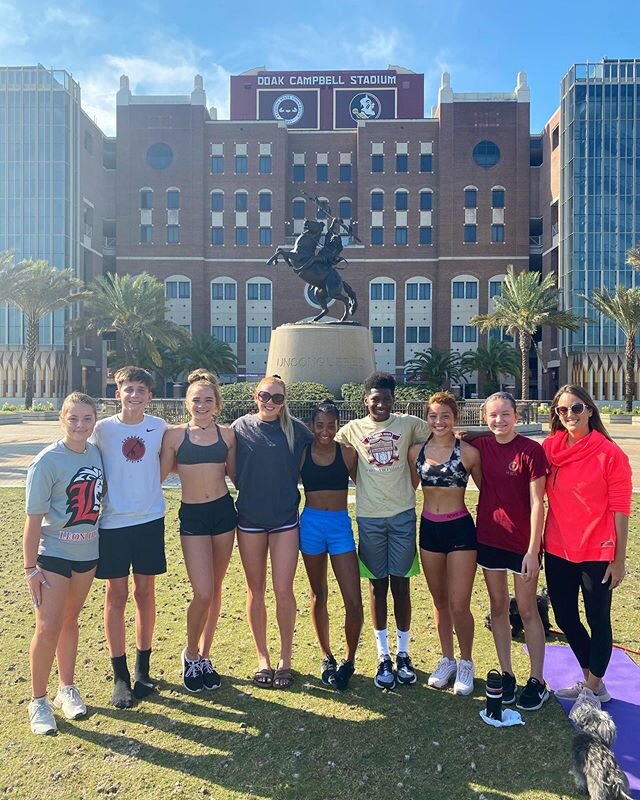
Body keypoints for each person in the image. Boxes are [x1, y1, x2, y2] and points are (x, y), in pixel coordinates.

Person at [335, 371, 429, 690]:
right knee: (377, 587)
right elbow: (334, 455)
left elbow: (439, 435)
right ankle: (383, 655)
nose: (381, 404)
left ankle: (403, 654)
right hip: (370, 519)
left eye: (387, 398)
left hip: (402, 516)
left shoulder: (409, 424)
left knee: (401, 585)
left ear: (394, 400)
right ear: (366, 400)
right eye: (376, 398)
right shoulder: (352, 430)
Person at [543, 385, 632, 711]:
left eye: (576, 408)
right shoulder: (551, 449)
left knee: (598, 619)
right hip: (557, 548)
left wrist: (618, 559)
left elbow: (621, 509)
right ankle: (592, 682)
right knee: (565, 617)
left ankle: (593, 688)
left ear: (590, 410)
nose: (569, 415)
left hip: (597, 551)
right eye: (562, 410)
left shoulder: (609, 454)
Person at [24, 392, 104, 734]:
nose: (80, 426)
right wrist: (30, 569)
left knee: (70, 619)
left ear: (94, 421)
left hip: (87, 554)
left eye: (87, 419)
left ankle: (66, 689)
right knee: (48, 625)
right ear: (63, 419)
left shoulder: (96, 452)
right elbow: (32, 519)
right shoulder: (46, 461)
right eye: (74, 419)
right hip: (53, 555)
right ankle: (38, 701)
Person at [90, 366, 167, 708]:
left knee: (145, 593)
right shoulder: (102, 430)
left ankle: (142, 669)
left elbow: (165, 465)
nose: (134, 395)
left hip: (150, 520)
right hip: (113, 523)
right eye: (128, 389)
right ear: (117, 393)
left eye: (140, 389)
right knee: (116, 596)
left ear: (150, 396)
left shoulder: (159, 427)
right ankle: (119, 675)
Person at [230, 375, 313, 689]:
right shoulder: (239, 427)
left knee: (283, 589)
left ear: (284, 402)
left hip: (284, 521)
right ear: (256, 395)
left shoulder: (296, 431)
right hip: (249, 519)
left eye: (277, 398)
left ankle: (285, 660)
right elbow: (226, 462)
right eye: (265, 395)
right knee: (256, 590)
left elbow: (326, 442)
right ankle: (262, 657)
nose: (270, 402)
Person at [470, 392, 549, 710]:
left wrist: (533, 550)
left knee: (528, 610)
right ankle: (507, 674)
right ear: (484, 418)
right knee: (499, 607)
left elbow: (537, 503)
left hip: (522, 545)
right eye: (493, 415)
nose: (499, 420)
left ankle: (537, 680)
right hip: (489, 538)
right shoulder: (481, 446)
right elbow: (454, 436)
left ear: (516, 416)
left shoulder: (531, 451)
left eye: (505, 414)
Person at [160, 370, 237, 693]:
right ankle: (190, 655)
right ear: (187, 403)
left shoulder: (228, 435)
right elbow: (158, 475)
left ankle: (205, 657)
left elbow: (236, 475)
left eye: (208, 400)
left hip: (223, 513)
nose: (202, 405)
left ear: (217, 404)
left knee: (216, 591)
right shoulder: (175, 436)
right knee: (202, 592)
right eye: (196, 400)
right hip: (192, 516)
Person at [408, 392, 482, 696]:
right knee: (439, 601)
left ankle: (466, 662)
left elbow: (490, 493)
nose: (439, 422)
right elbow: (406, 489)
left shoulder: (468, 453)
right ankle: (447, 659)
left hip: (461, 531)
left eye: (445, 416)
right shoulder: (416, 452)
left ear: (456, 418)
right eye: (434, 416)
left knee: (459, 603)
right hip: (429, 531)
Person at [299, 399, 362, 690]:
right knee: (318, 593)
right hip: (310, 525)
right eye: (320, 425)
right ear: (312, 426)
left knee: (353, 599)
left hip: (339, 526)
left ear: (337, 426)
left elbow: (370, 482)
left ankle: (349, 660)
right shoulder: (302, 455)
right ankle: (327, 656)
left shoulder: (347, 453)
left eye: (331, 425)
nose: (325, 431)